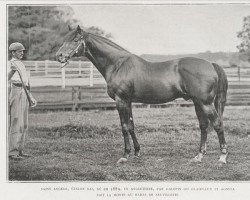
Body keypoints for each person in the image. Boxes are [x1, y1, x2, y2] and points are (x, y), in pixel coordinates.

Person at [8, 42, 36, 160]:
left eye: (22, 51)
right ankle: (12, 152)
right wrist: (12, 71)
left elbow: (26, 82)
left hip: (24, 91)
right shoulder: (9, 63)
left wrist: (30, 96)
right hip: (16, 90)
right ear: (13, 52)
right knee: (16, 121)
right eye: (19, 51)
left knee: (24, 123)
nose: (22, 53)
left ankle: (20, 150)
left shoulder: (21, 64)